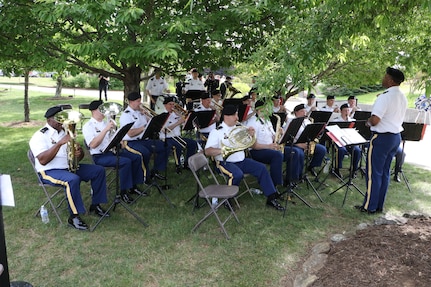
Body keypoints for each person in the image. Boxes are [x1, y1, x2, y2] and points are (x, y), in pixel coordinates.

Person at [29, 106, 109, 231]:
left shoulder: (65, 132)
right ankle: (74, 217)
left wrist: (79, 153)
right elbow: (43, 160)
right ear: (49, 119)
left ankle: (96, 205)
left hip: (68, 167)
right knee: (72, 180)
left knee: (98, 170)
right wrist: (60, 143)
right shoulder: (40, 136)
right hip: (49, 171)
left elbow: (77, 158)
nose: (62, 122)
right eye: (59, 119)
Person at [204, 104, 285, 211]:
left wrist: (251, 136)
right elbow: (207, 151)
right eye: (235, 115)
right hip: (224, 162)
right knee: (237, 174)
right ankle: (228, 199)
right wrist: (223, 150)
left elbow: (251, 145)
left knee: (261, 168)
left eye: (237, 115)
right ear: (226, 116)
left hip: (241, 160)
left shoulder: (239, 129)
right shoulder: (217, 132)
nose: (237, 118)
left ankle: (271, 197)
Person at [356, 67, 407, 214]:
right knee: (384, 172)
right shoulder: (402, 97)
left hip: (382, 137)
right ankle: (379, 205)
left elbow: (376, 120)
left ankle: (369, 207)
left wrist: (368, 122)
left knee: (373, 174)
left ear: (390, 80)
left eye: (385, 76)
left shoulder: (384, 97)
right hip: (395, 137)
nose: (383, 78)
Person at [82, 100, 147, 204]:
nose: (105, 111)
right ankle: (123, 192)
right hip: (99, 156)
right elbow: (93, 145)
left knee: (136, 157)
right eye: (102, 109)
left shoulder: (105, 123)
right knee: (125, 162)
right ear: (94, 111)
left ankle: (133, 186)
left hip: (111, 152)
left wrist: (118, 138)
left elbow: (112, 139)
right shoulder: (88, 126)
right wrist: (106, 130)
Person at [119, 92, 169, 183]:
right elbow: (130, 133)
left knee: (165, 146)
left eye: (140, 101)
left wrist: (146, 114)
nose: (140, 103)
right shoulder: (126, 115)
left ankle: (155, 170)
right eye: (138, 101)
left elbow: (152, 122)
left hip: (143, 140)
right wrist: (143, 128)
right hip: (131, 142)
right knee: (145, 153)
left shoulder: (140, 112)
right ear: (131, 102)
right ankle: (145, 176)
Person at [247, 100, 284, 187]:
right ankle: (274, 184)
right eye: (266, 108)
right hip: (257, 151)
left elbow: (274, 137)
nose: (268, 110)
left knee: (293, 152)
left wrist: (280, 134)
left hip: (269, 148)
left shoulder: (267, 121)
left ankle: (291, 179)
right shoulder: (253, 123)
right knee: (277, 155)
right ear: (259, 110)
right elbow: (253, 145)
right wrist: (269, 146)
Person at [286, 104, 326, 177]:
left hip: (307, 143)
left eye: (305, 111)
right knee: (299, 153)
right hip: (295, 143)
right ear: (296, 112)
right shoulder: (291, 121)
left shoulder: (307, 121)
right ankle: (296, 176)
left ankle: (311, 167)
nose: (304, 113)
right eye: (302, 111)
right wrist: (297, 144)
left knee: (322, 149)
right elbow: (287, 137)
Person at [159, 96, 198, 174]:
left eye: (173, 104)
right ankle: (178, 165)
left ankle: (187, 163)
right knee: (178, 146)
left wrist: (181, 116)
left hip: (177, 137)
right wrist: (178, 123)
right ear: (165, 105)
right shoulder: (162, 115)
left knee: (193, 143)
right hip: (167, 138)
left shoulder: (175, 114)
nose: (172, 106)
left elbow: (185, 124)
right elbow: (164, 131)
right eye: (170, 104)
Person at [332, 104, 362, 178]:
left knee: (357, 150)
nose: (347, 112)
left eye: (348, 110)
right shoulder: (336, 121)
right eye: (345, 110)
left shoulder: (353, 121)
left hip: (350, 141)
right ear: (341, 111)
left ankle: (354, 169)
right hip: (339, 141)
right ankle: (337, 169)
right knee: (341, 150)